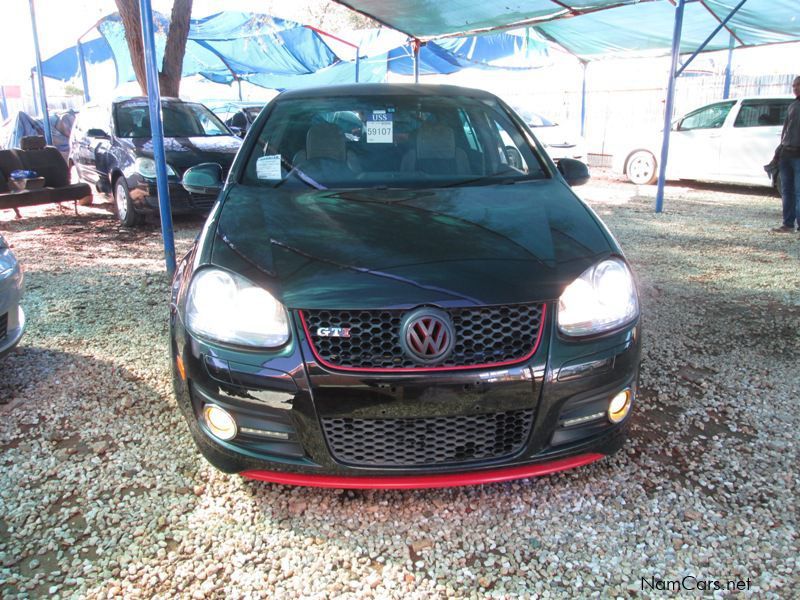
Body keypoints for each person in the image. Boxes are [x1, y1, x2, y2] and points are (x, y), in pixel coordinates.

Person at [772, 75, 800, 233]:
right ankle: (788, 224)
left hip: (798, 154)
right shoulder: (793, 105)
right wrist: (780, 150)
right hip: (786, 153)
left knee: (798, 191)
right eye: (794, 85)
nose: (795, 88)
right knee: (787, 190)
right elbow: (786, 130)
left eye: (798, 85)